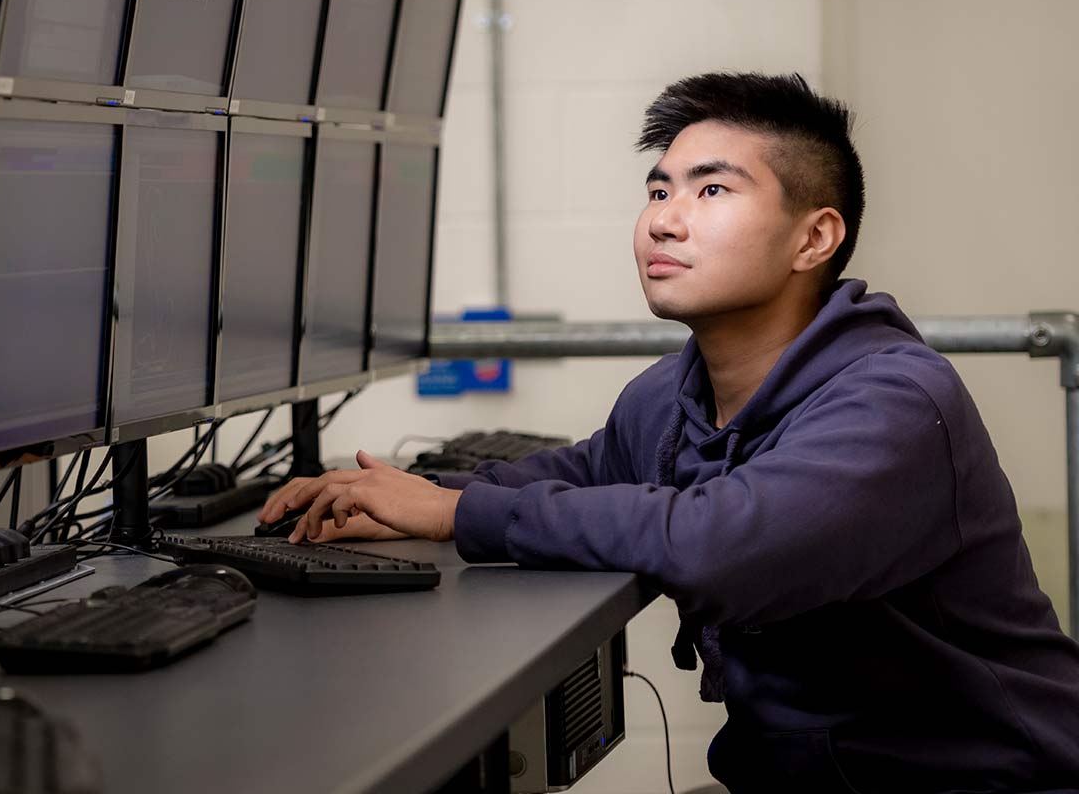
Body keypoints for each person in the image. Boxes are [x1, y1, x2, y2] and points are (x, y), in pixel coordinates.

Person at [260, 73, 1079, 792]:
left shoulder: (894, 403)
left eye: (711, 192)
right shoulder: (675, 391)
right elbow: (588, 471)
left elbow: (721, 546)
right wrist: (415, 498)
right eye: (658, 192)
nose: (665, 221)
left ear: (815, 237)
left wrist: (455, 516)